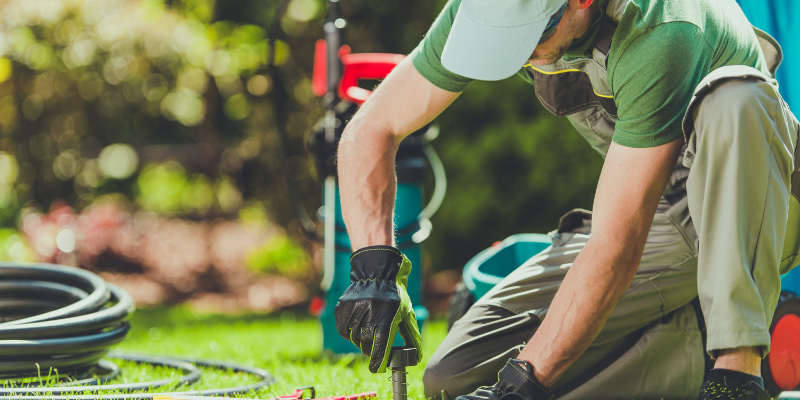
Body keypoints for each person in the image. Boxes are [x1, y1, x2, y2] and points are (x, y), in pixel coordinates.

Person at [332, 0, 800, 398]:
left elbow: (616, 247)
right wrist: (373, 265)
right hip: (656, 214)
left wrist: (525, 382)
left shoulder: (661, 28)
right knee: (451, 374)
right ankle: (707, 340)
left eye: (532, 34)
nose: (521, 54)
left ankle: (737, 368)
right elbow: (373, 127)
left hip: (754, 206)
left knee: (737, 98)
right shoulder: (487, 10)